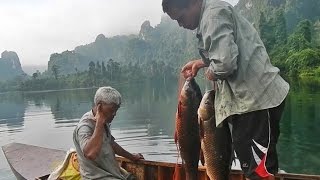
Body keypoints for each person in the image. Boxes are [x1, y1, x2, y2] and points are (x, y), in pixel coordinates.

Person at [162, 0, 289, 179]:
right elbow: (228, 50)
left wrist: (212, 73)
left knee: (259, 171)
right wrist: (202, 63)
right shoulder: (213, 13)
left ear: (193, 3)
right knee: (255, 167)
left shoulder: (212, 16)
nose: (180, 24)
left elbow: (225, 64)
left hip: (254, 103)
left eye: (181, 17)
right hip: (249, 104)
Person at [73, 86, 144, 180]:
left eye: (116, 110)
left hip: (111, 173)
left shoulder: (104, 122)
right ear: (99, 106)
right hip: (95, 177)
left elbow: (111, 143)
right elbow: (90, 154)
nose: (114, 114)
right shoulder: (85, 126)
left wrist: (132, 157)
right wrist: (99, 123)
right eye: (112, 110)